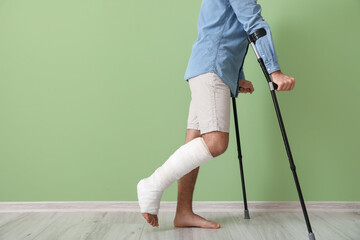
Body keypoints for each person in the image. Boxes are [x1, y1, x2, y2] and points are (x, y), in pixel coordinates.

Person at [137, 0, 295, 228]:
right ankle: (152, 184)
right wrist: (275, 71)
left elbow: (228, 27)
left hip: (207, 66)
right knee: (216, 142)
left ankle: (183, 212)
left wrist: (238, 76)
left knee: (194, 140)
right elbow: (253, 23)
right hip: (213, 67)